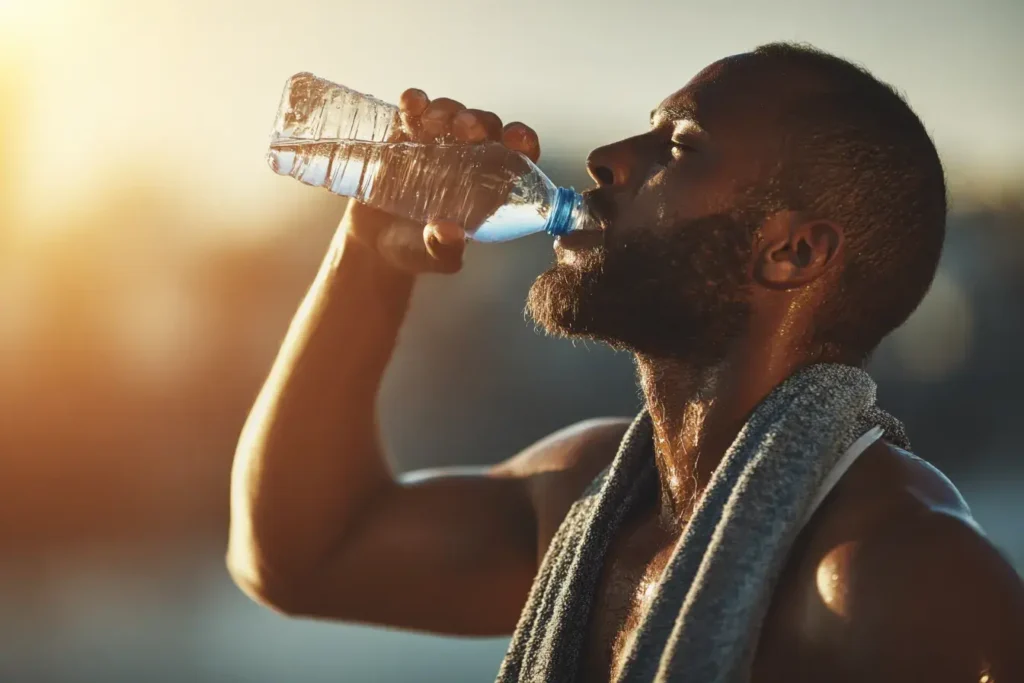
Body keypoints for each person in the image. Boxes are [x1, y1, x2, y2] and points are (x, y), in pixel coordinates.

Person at [227, 43, 1023, 682]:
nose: (608, 156)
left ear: (793, 251)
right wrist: (369, 254)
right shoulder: (585, 493)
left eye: (679, 144)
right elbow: (296, 555)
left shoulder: (910, 578)